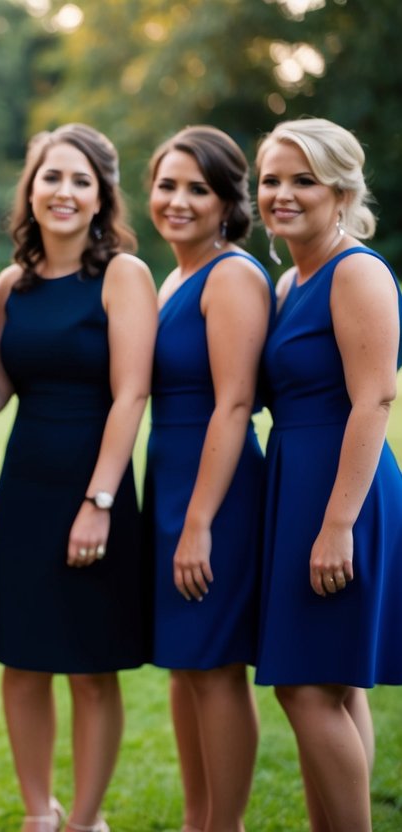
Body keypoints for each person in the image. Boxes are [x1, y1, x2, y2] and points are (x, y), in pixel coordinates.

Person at [0, 124, 157, 832]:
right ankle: (37, 814)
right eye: (51, 177)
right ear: (31, 189)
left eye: (79, 180)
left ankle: (83, 820)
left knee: (90, 665)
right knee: (22, 661)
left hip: (93, 485)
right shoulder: (11, 284)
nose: (63, 192)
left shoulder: (123, 276)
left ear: (101, 195)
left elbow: (131, 394)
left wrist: (99, 502)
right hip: (23, 488)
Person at [255, 117, 402, 832]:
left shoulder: (357, 271)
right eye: (270, 180)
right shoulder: (288, 279)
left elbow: (374, 396)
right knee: (334, 686)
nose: (281, 194)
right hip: (296, 480)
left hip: (340, 488)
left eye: (301, 180)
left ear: (340, 191)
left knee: (306, 688)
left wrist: (337, 524)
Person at [144, 126, 273, 832]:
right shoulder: (175, 276)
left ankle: (225, 825)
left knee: (216, 666)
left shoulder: (230, 275)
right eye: (167, 185)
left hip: (212, 490)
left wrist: (198, 521)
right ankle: (198, 822)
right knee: (185, 663)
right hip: (169, 476)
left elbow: (232, 402)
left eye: (199, 189)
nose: (179, 201)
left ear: (228, 202)